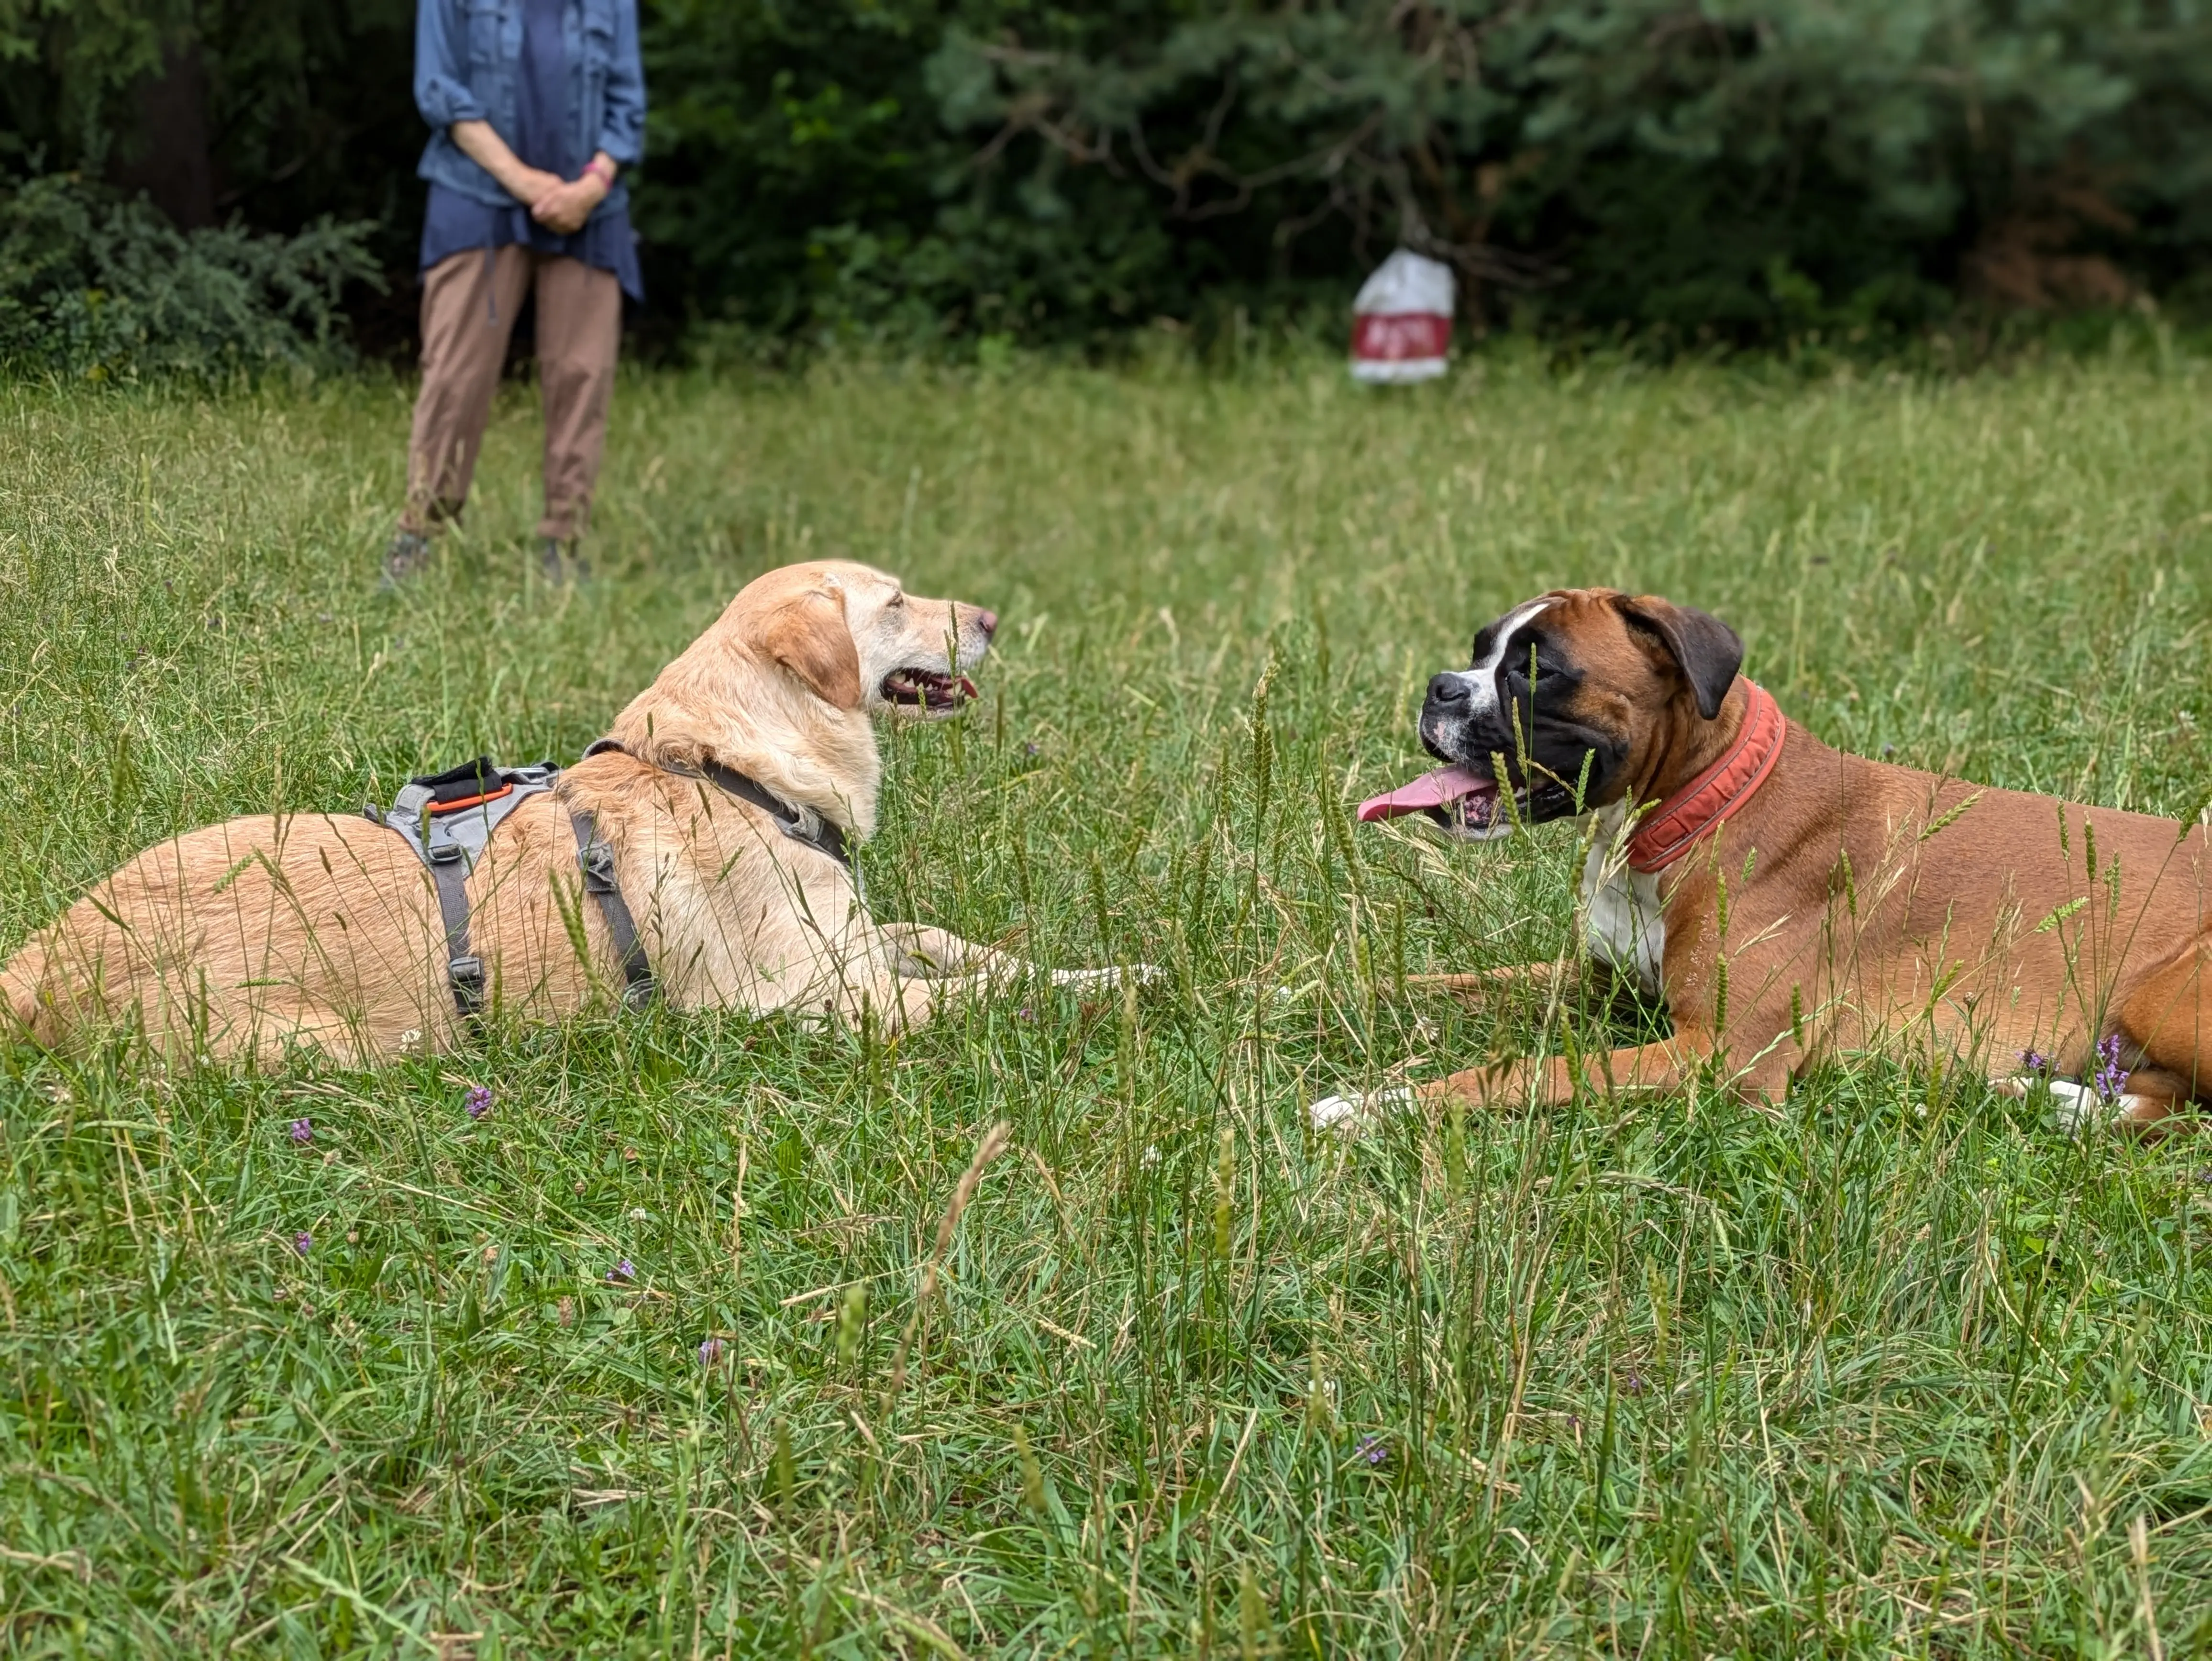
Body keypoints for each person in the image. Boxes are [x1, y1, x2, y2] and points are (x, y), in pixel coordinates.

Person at [383, 0, 645, 587]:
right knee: (456, 374)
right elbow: (438, 89)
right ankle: (418, 536)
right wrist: (528, 184)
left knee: (583, 374)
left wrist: (589, 187)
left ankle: (563, 545)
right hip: (473, 194)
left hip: (591, 209)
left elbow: (627, 110)